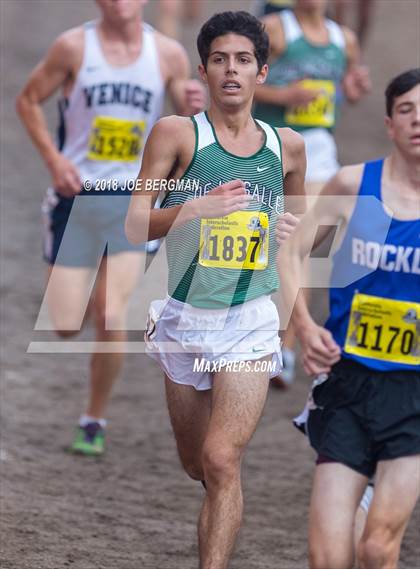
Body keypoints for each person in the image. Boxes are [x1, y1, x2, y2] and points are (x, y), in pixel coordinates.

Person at [126, 11, 306, 568]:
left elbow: (296, 239)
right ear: (203, 70)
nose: (232, 70)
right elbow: (135, 223)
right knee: (197, 464)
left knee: (223, 460)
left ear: (262, 72)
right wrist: (195, 208)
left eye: (244, 60)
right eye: (221, 60)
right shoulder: (177, 134)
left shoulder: (289, 147)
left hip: (249, 318)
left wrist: (292, 316)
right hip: (183, 315)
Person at [16, 0, 205, 456]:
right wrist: (54, 160)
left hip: (130, 200)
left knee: (111, 316)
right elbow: (27, 100)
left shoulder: (167, 54)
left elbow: (189, 124)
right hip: (76, 195)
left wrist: (195, 105)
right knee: (65, 323)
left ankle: (93, 419)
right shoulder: (73, 47)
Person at [279, 68, 420, 569]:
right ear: (389, 123)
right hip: (348, 385)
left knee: (377, 547)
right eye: (406, 110)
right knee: (328, 557)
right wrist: (303, 325)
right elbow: (290, 255)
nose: (417, 120)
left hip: (414, 395)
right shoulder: (352, 183)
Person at [253, 0, 371, 386]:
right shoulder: (276, 29)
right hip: (272, 150)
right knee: (272, 249)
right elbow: (237, 79)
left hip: (319, 154)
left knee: (296, 245)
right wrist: (282, 97)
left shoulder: (345, 40)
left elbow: (345, 88)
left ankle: (285, 347)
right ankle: (266, 335)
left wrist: (352, 89)